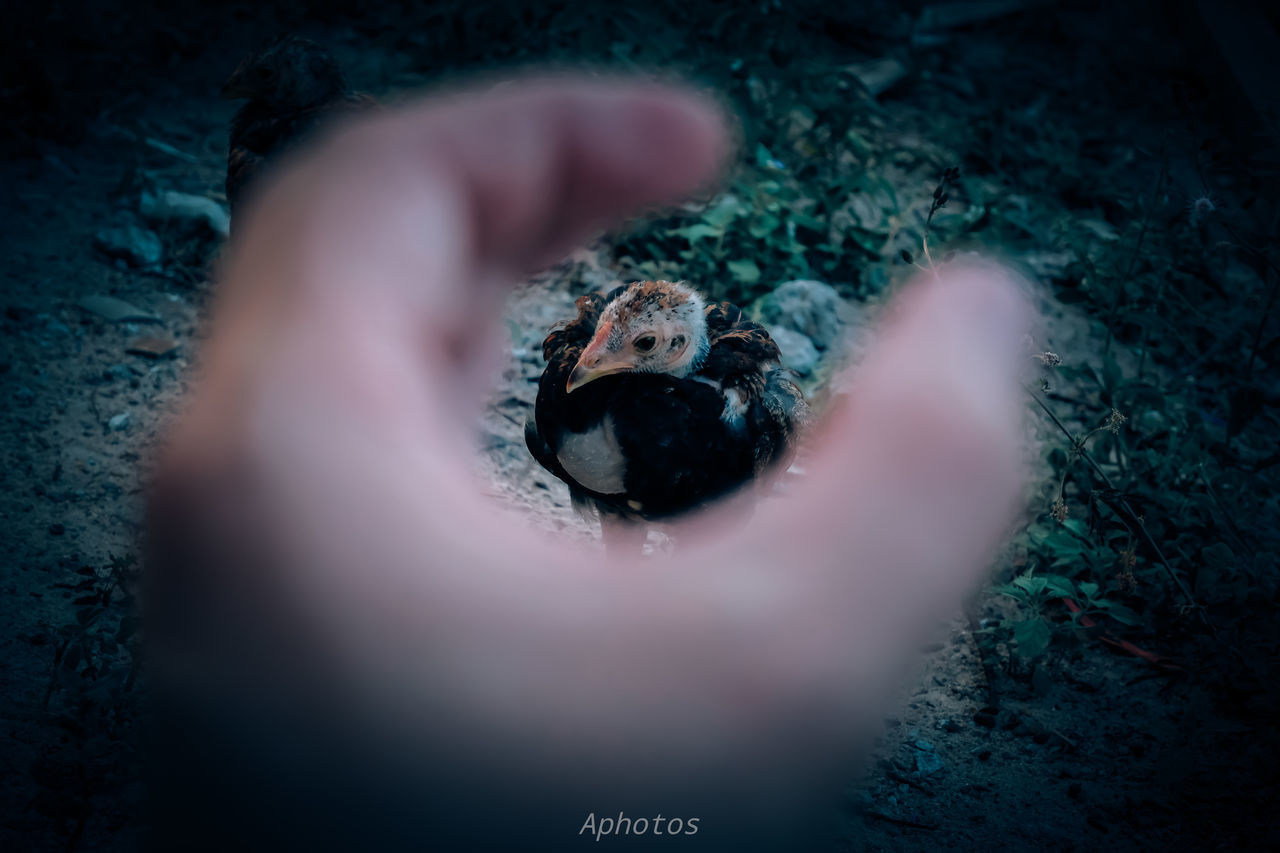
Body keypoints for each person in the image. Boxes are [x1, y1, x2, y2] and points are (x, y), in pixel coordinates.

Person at [144, 76, 1032, 851]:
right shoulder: (574, 390)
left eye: (633, 345)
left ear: (679, 346)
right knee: (610, 502)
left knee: (682, 541)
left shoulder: (734, 420)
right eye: (603, 341)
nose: (591, 361)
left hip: (692, 462)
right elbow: (593, 377)